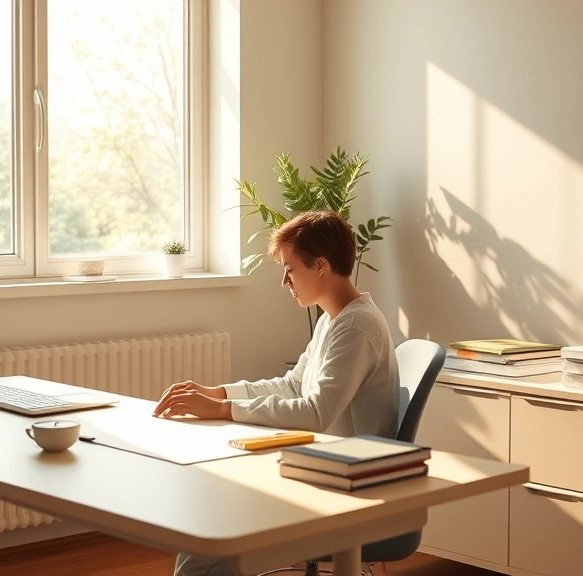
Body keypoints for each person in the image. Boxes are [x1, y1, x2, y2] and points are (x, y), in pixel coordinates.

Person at [153, 210, 399, 576]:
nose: (285, 281)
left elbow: (316, 412)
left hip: (344, 486)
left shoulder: (357, 325)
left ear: (320, 266)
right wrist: (220, 393)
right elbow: (292, 385)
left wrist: (224, 410)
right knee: (204, 533)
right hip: (319, 469)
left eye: (290, 268)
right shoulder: (334, 319)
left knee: (205, 549)